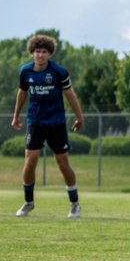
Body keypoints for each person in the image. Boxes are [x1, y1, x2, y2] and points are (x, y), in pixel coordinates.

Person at [11, 34, 86, 218]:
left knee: (62, 164)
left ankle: (74, 203)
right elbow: (22, 94)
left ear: (50, 54)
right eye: (37, 51)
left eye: (44, 52)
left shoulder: (59, 72)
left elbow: (70, 96)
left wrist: (79, 117)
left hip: (56, 123)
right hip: (35, 123)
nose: (40, 55)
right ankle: (29, 202)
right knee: (30, 162)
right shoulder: (25, 72)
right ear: (32, 53)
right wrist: (15, 117)